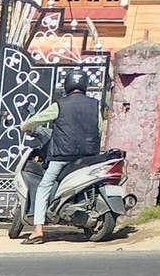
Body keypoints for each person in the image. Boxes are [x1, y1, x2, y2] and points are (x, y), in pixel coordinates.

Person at [21, 68, 104, 243]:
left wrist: (25, 126)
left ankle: (38, 229)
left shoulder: (60, 105)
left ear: (67, 85)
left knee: (44, 186)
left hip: (62, 156)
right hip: (88, 156)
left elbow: (37, 120)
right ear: (85, 85)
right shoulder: (95, 104)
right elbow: (99, 129)